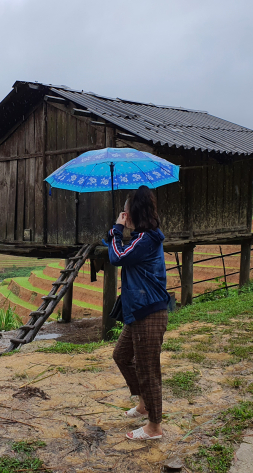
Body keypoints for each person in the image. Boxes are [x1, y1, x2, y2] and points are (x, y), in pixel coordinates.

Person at [107, 185, 170, 440]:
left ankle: (154, 427)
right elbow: (123, 253)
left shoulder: (146, 239)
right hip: (137, 310)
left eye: (126, 211)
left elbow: (117, 256)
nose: (123, 214)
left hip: (148, 312)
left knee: (148, 369)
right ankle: (144, 404)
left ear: (134, 213)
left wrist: (116, 230)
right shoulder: (142, 238)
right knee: (121, 355)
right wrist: (120, 232)